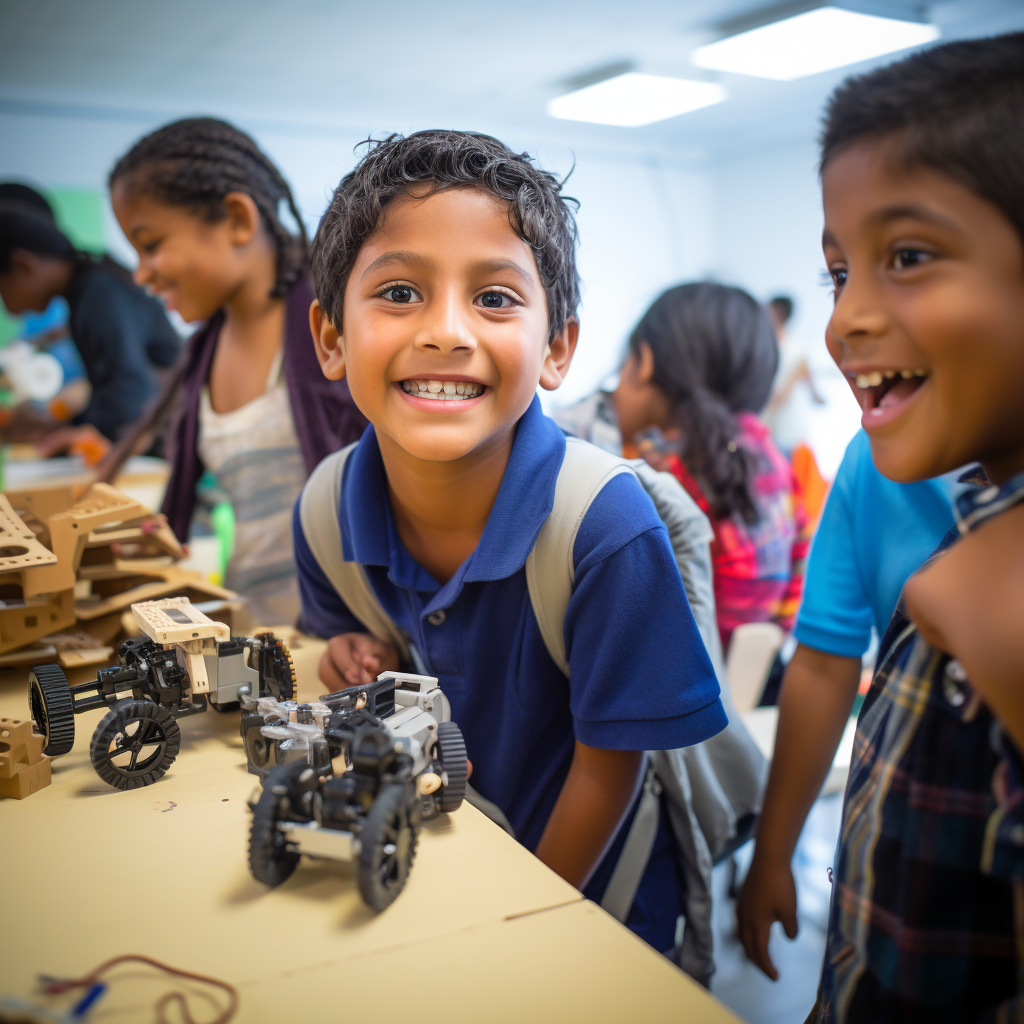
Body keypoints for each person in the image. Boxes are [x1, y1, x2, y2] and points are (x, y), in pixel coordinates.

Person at [293, 130, 727, 954]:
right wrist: (347, 648)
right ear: (330, 338)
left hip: (589, 907)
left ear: (558, 347)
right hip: (430, 874)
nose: (447, 331)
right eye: (397, 293)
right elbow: (345, 638)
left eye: (494, 298)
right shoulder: (324, 507)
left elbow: (611, 767)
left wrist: (518, 924)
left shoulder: (604, 531)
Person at [788, 34, 1023, 1022]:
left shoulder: (1000, 605)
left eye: (909, 256)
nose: (845, 321)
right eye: (840, 272)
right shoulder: (968, 540)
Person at [108, 118, 366, 625]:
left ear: (236, 219)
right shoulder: (203, 352)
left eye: (151, 244)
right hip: (260, 631)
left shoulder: (337, 326)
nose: (140, 273)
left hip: (353, 635)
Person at [736, 428, 961, 978]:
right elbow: (821, 660)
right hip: (892, 850)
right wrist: (771, 852)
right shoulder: (876, 450)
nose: (841, 334)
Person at [571, 282, 810, 654]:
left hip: (679, 675)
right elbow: (797, 574)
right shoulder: (780, 468)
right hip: (752, 679)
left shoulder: (667, 477)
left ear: (645, 360)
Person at [0, 182, 181, 444]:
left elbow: (130, 393)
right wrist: (65, 427)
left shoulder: (98, 293)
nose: (6, 306)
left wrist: (74, 435)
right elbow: (108, 393)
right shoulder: (86, 291)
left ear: (23, 266)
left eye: (2, 290)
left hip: (166, 441)